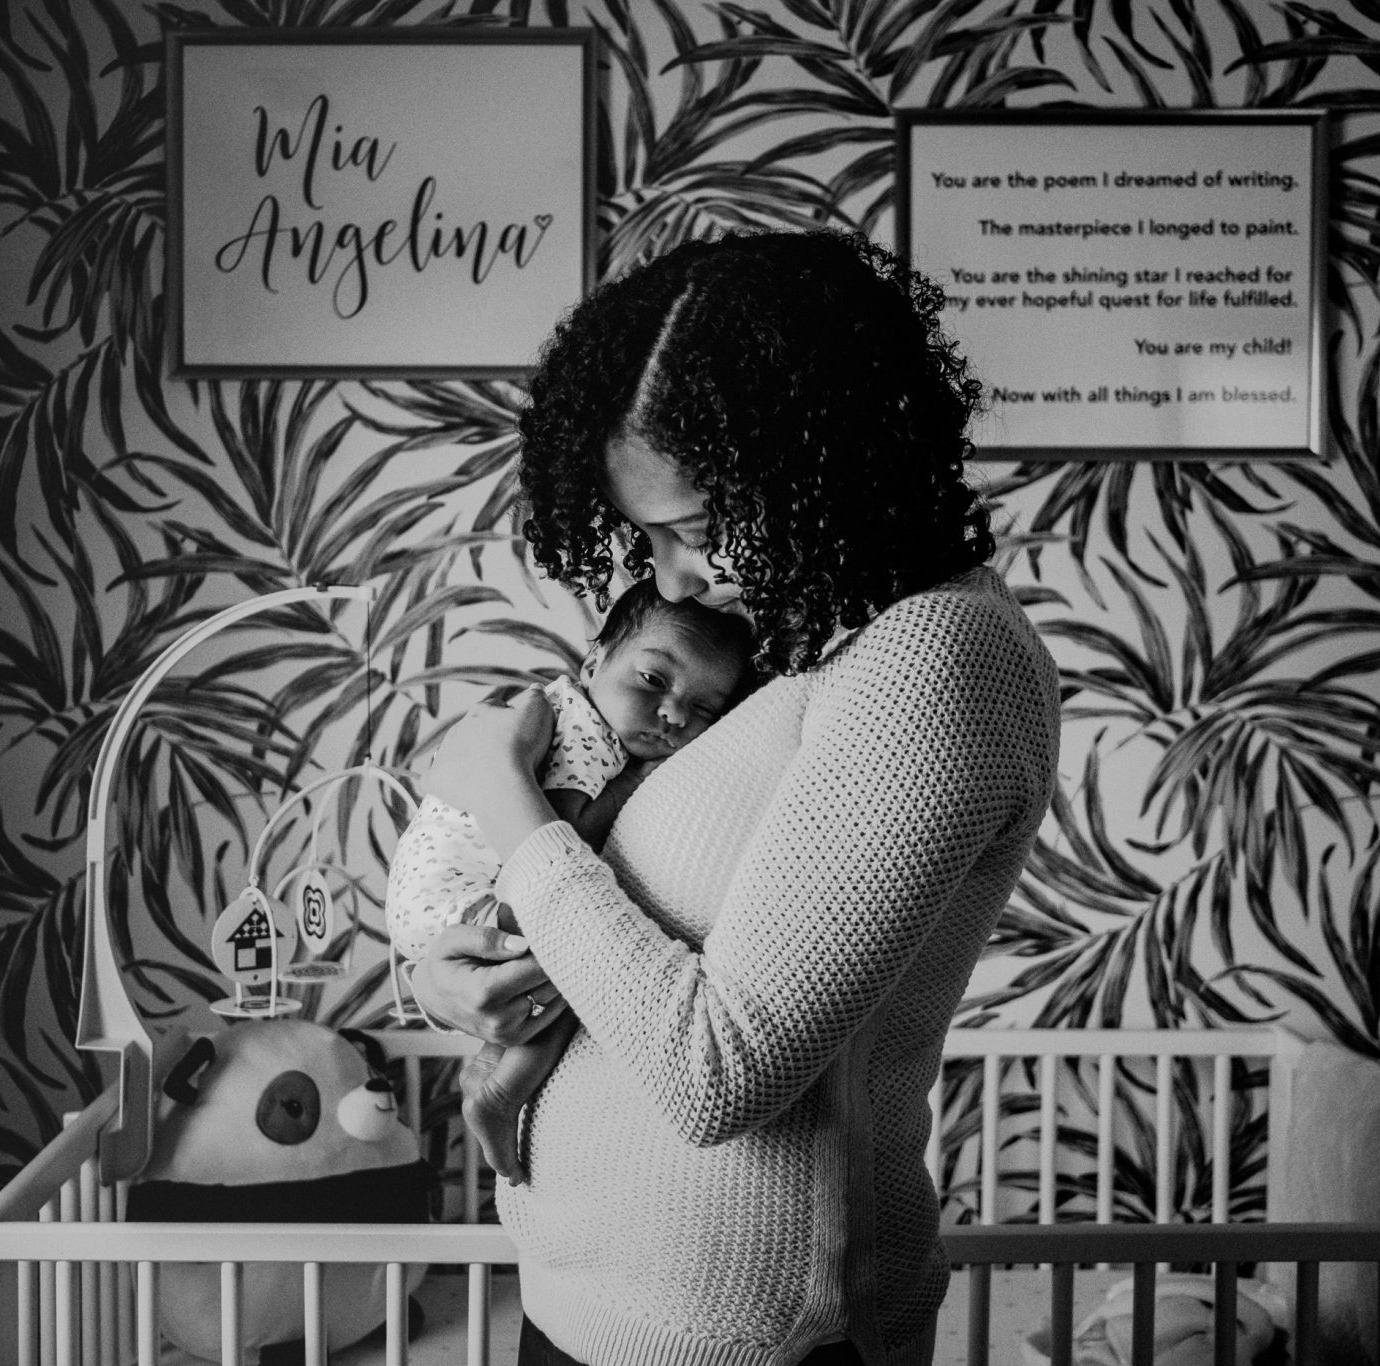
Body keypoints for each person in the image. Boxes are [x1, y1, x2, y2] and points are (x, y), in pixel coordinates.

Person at [408, 229, 1060, 1366]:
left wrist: (503, 798)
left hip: (749, 1344)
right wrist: (455, 983)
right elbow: (617, 928)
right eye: (647, 535)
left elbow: (720, 1068)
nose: (667, 577)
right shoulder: (793, 656)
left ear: (827, 469)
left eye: (694, 529)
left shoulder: (935, 657)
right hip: (586, 1308)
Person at [386, 578, 755, 1179]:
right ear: (594, 661)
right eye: (654, 680)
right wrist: (636, 784)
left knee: (570, 960)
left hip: (438, 900)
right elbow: (554, 842)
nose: (674, 713)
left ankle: (494, 1074)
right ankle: (500, 1089)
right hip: (460, 895)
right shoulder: (582, 732)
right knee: (578, 959)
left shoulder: (575, 720)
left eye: (704, 708)